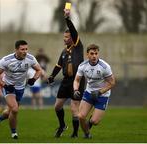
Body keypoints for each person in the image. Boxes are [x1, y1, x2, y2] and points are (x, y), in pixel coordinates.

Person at [0, 40, 42, 139]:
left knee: (10, 111)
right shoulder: (6, 60)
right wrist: (4, 85)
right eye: (22, 49)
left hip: (20, 88)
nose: (25, 51)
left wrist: (34, 79)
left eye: (26, 49)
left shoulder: (30, 59)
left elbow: (39, 70)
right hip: (9, 87)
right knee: (15, 109)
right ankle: (14, 133)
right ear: (16, 50)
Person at [47, 8, 85, 138]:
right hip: (66, 81)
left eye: (67, 37)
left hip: (77, 80)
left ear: (72, 38)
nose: (65, 39)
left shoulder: (78, 46)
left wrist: (67, 18)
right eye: (64, 37)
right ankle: (62, 125)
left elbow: (73, 31)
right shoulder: (64, 51)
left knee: (74, 107)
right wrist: (52, 76)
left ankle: (74, 133)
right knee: (57, 106)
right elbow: (58, 65)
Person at [73, 44, 115, 138]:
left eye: (96, 53)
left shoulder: (104, 67)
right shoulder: (82, 66)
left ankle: (91, 121)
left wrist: (100, 92)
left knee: (94, 122)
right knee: (80, 116)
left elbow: (112, 83)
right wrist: (75, 90)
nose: (94, 56)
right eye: (92, 53)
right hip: (89, 93)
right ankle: (87, 134)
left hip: (103, 95)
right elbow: (77, 80)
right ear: (87, 54)